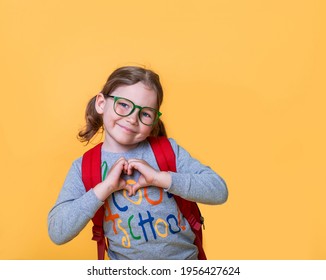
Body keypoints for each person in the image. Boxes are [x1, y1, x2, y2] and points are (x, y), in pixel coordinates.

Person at [48, 65, 228, 260]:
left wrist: (161, 178)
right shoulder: (84, 168)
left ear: (153, 122)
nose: (133, 119)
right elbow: (57, 231)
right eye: (124, 105)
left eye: (145, 114)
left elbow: (219, 191)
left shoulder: (168, 151)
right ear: (101, 103)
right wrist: (105, 187)